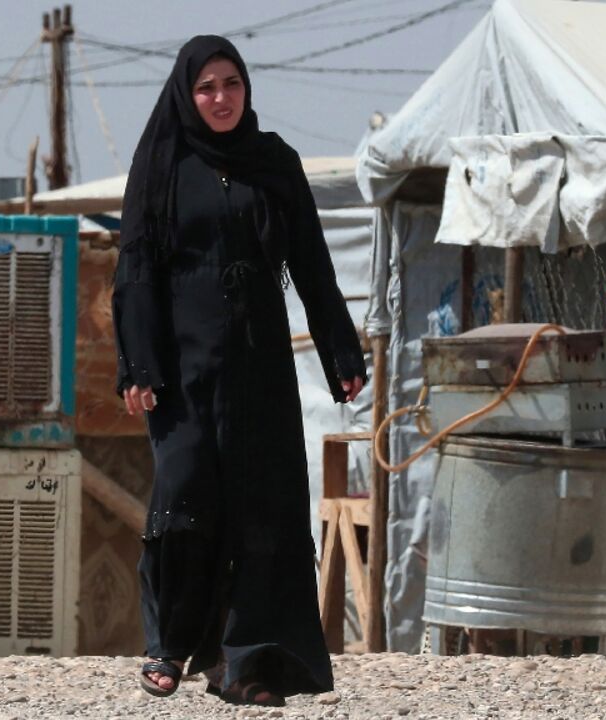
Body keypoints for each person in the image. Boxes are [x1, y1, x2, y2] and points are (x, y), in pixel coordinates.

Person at [111, 35, 366, 708]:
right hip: (182, 364)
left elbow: (311, 260)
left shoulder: (273, 161)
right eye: (206, 87)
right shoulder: (161, 161)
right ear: (186, 95)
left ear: (247, 88)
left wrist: (342, 348)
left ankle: (247, 658)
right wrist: (139, 361)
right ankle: (168, 645)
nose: (221, 98)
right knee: (186, 486)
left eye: (232, 84)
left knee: (262, 504)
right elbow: (135, 268)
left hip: (259, 361)